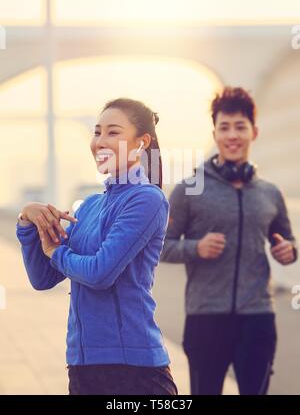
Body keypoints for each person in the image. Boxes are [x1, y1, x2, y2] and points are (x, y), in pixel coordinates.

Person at [16, 98, 177, 396]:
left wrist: (56, 252)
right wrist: (28, 221)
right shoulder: (90, 205)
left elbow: (101, 273)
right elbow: (43, 278)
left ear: (141, 143)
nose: (100, 141)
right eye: (97, 131)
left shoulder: (147, 199)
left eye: (113, 132)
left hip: (135, 371)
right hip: (81, 366)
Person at [161, 87, 298, 395]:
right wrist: (196, 247)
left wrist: (289, 251)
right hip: (205, 318)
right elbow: (161, 246)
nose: (232, 135)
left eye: (240, 126)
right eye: (224, 127)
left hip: (258, 317)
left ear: (254, 132)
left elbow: (287, 243)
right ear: (215, 133)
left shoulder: (270, 193)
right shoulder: (190, 189)